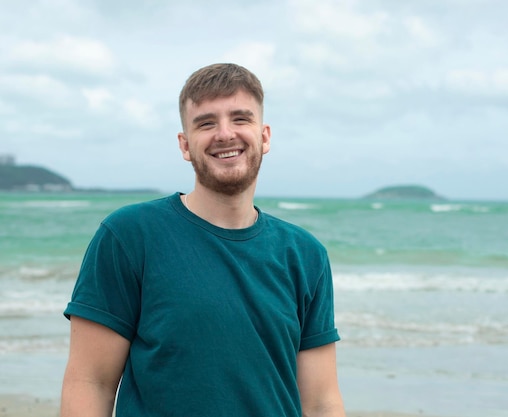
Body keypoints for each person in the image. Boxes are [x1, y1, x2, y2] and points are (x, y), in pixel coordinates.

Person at [61, 63, 345, 417]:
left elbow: (320, 402)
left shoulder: (305, 255)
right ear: (185, 144)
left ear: (265, 136)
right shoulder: (129, 235)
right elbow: (90, 382)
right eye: (206, 123)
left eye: (240, 119)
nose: (225, 134)